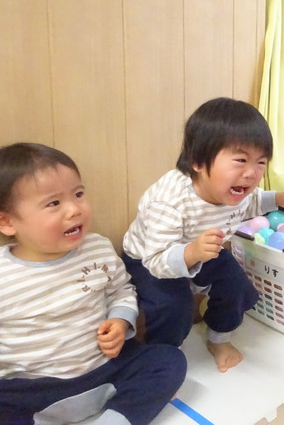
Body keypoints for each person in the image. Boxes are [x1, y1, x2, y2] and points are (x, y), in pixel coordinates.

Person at [0, 142, 186, 425]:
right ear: (7, 222)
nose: (74, 209)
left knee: (169, 360)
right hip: (33, 390)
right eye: (54, 203)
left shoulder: (97, 247)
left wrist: (121, 320)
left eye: (78, 194)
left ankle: (116, 419)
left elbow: (122, 290)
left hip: (105, 371)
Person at [122, 97, 284, 373]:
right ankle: (161, 359)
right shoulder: (170, 201)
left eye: (261, 162)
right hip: (151, 259)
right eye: (241, 160)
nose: (251, 173)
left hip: (204, 250)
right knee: (173, 307)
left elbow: (253, 201)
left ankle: (219, 338)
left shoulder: (235, 190)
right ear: (198, 161)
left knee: (237, 287)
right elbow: (156, 259)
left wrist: (278, 198)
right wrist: (190, 253)